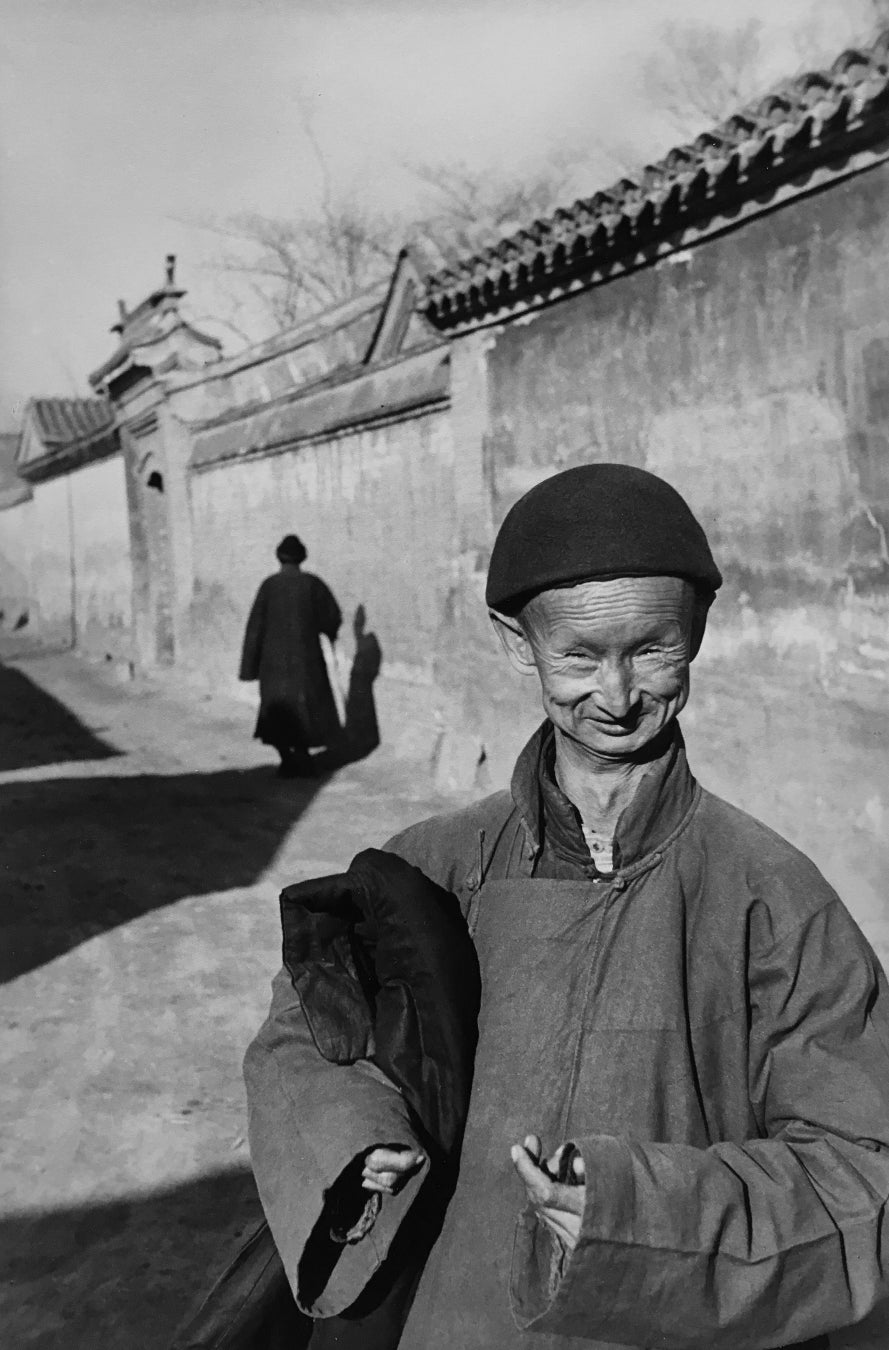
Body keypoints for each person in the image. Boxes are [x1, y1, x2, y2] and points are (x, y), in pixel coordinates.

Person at [244, 466, 889, 1349]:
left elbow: (859, 1169)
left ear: (696, 631)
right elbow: (306, 1038)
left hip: (666, 1322)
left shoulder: (771, 897)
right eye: (579, 656)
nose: (618, 696)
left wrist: (638, 1214)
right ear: (518, 644)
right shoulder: (427, 869)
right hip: (442, 1315)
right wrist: (358, 1134)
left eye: (653, 650)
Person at [239, 535, 342, 777]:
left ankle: (287, 758)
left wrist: (249, 668)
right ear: (302, 558)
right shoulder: (312, 585)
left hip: (272, 665)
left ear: (279, 558)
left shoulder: (269, 586)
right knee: (305, 707)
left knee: (278, 710)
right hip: (305, 662)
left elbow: (255, 628)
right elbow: (332, 617)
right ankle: (303, 755)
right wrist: (327, 631)